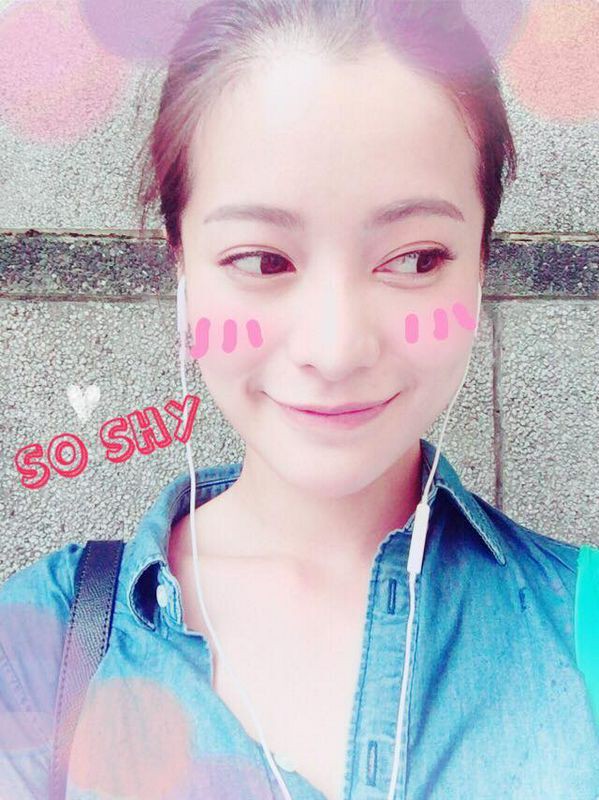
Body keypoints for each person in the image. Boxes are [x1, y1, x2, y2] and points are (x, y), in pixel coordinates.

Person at [1, 1, 598, 798]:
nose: (336, 348)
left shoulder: (581, 628)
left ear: (480, 261)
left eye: (416, 258)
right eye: (262, 260)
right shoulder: (39, 649)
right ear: (182, 264)